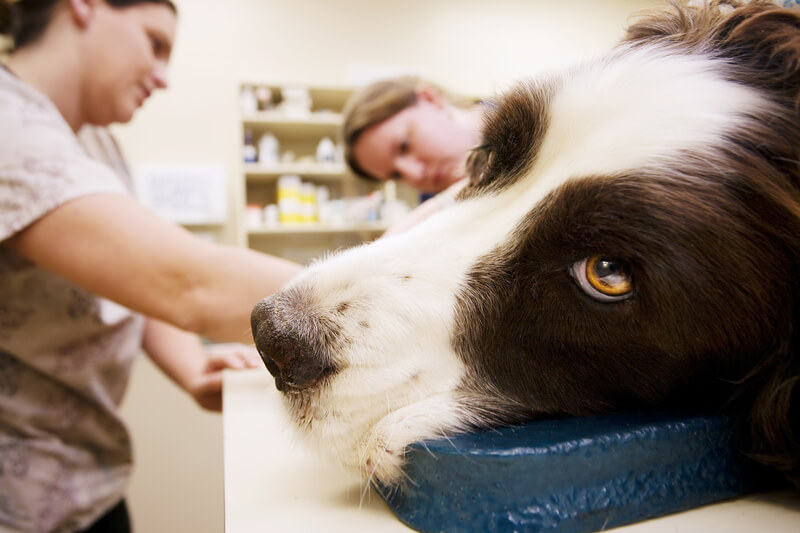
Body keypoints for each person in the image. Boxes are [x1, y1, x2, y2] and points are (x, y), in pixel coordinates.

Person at [0, 1, 303, 531]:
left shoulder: (95, 143)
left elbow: (138, 286)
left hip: (90, 485)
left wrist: (191, 368)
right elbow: (188, 284)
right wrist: (389, 295)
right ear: (84, 7)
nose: (163, 78)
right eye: (154, 43)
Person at [341, 76, 486, 235]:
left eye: (404, 146)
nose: (416, 175)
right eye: (397, 175)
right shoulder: (429, 199)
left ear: (430, 99)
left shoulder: (517, 115)